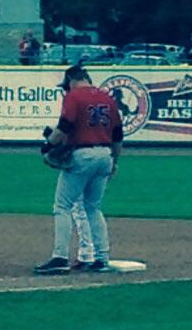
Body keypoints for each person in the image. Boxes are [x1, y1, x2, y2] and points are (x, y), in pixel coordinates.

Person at [34, 65, 123, 275]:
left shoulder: (74, 96)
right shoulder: (107, 98)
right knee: (93, 208)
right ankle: (101, 258)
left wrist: (48, 145)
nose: (66, 89)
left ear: (73, 80)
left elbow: (64, 127)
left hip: (83, 155)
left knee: (62, 206)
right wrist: (115, 162)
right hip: (105, 155)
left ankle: (60, 257)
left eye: (67, 85)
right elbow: (118, 136)